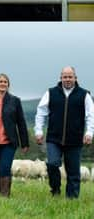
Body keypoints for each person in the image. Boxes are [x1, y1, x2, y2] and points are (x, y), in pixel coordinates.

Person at [34, 66, 94, 199]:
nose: (67, 79)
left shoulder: (84, 94)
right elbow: (41, 112)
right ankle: (55, 189)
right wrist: (38, 131)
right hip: (54, 138)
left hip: (75, 139)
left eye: (70, 76)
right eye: (65, 77)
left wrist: (89, 133)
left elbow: (91, 116)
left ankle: (71, 198)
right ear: (61, 78)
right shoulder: (51, 92)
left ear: (75, 78)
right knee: (52, 164)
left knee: (73, 171)